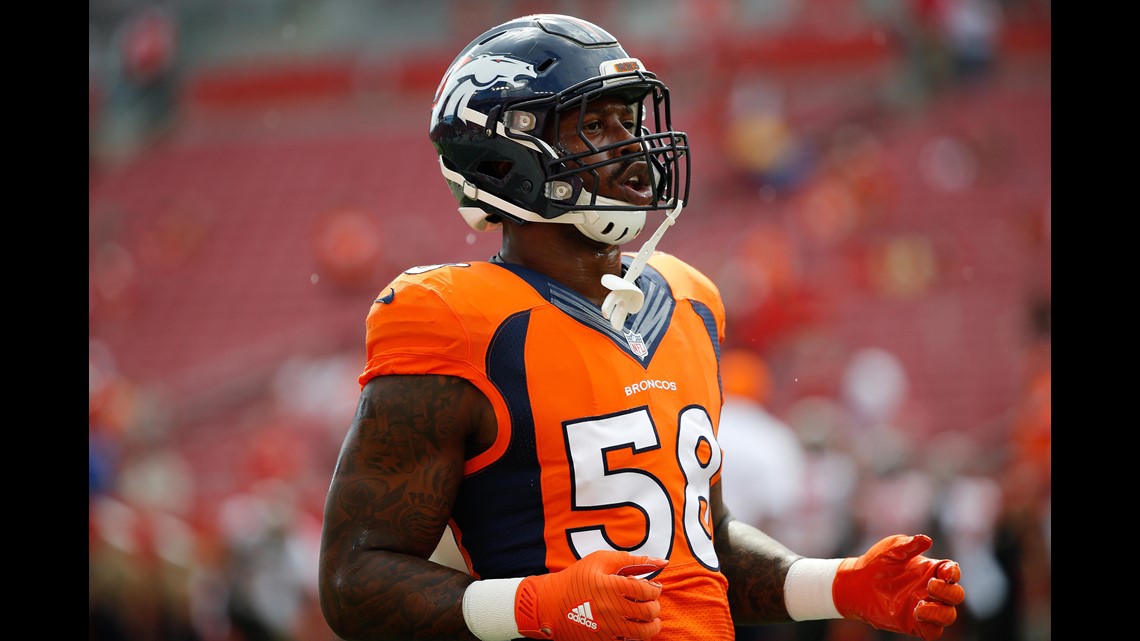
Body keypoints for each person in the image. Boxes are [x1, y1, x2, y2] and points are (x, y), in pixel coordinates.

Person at [318, 13, 964, 641]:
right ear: (502, 153)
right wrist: (534, 603)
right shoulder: (452, 316)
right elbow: (354, 579)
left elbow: (696, 550)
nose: (631, 146)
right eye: (594, 125)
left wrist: (836, 584)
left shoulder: (690, 298)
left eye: (629, 120)